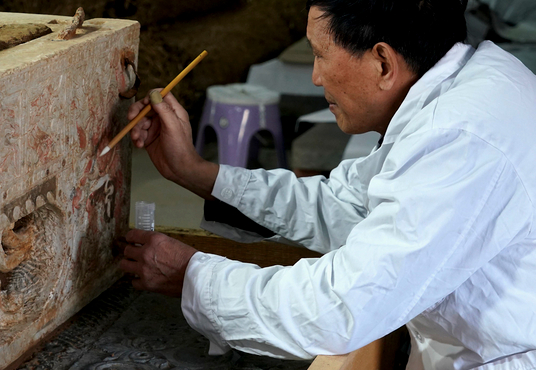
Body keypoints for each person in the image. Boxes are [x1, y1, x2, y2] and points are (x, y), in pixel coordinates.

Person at [118, 0, 536, 369]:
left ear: (383, 64)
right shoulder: (470, 83)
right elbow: (348, 206)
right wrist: (192, 171)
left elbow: (335, 310)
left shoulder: (461, 138)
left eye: (321, 54)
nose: (317, 77)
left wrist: (192, 278)